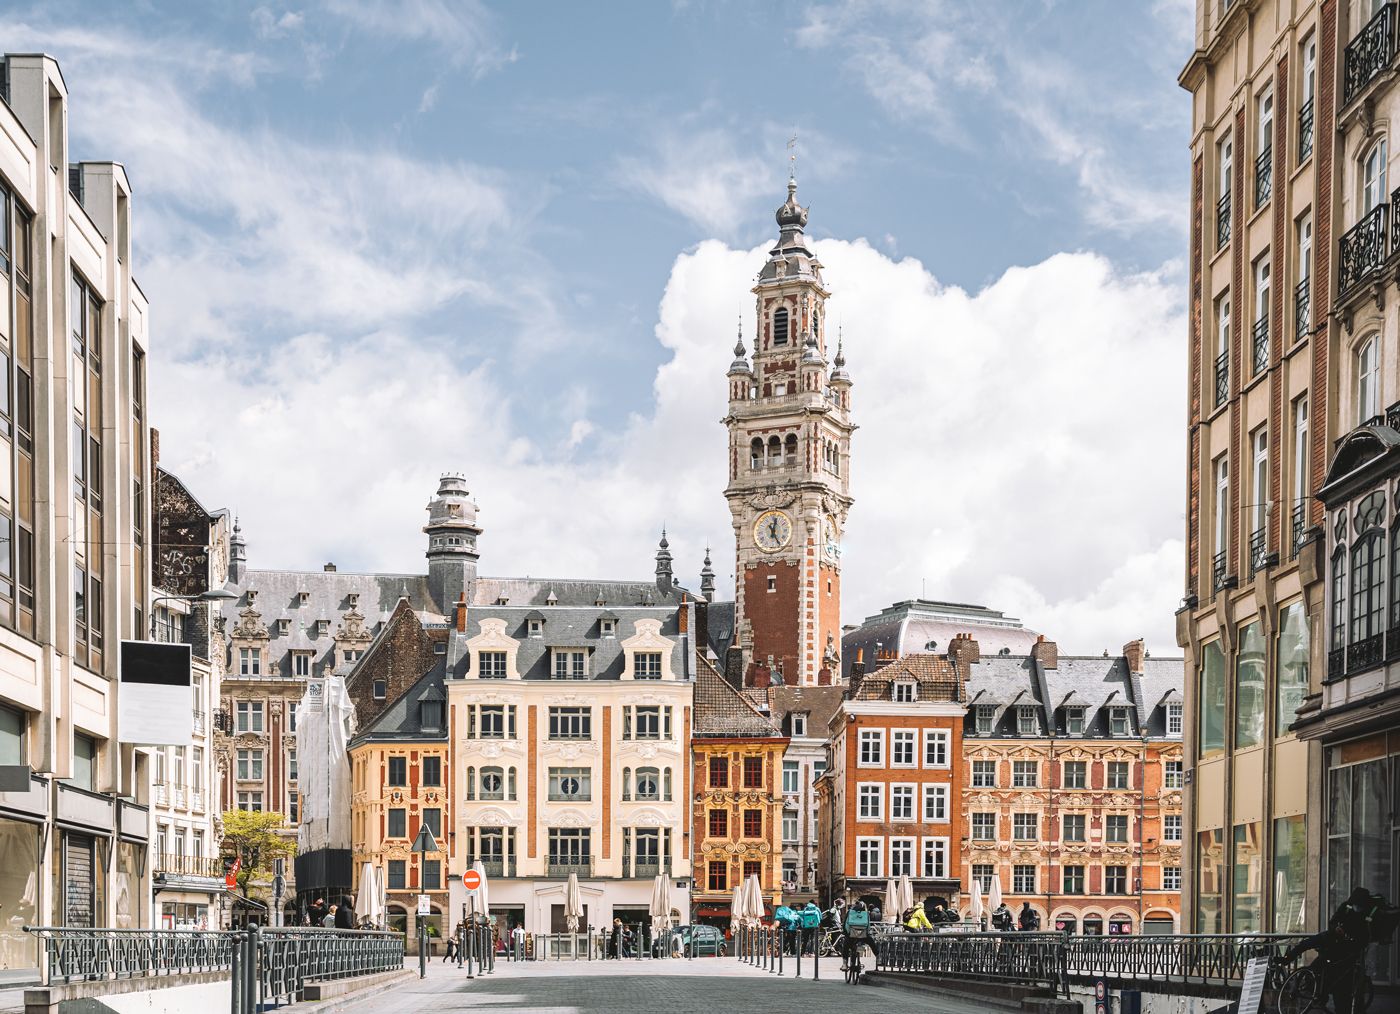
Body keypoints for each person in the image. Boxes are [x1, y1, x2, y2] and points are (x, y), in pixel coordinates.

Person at [1282, 887, 1398, 1011]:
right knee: (1307, 945)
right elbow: (1333, 920)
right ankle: (1287, 960)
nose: (1356, 907)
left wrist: (1352, 936)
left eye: (1358, 905)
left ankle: (1324, 996)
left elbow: (1367, 936)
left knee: (1339, 982)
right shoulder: (1347, 906)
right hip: (1334, 937)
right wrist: (1336, 928)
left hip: (1349, 948)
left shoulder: (1371, 912)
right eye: (1354, 904)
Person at [841, 900, 871, 972]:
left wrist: (845, 933)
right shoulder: (866, 913)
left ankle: (845, 964)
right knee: (871, 942)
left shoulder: (850, 912)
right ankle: (878, 957)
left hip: (851, 935)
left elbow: (845, 924)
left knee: (845, 946)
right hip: (863, 935)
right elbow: (869, 926)